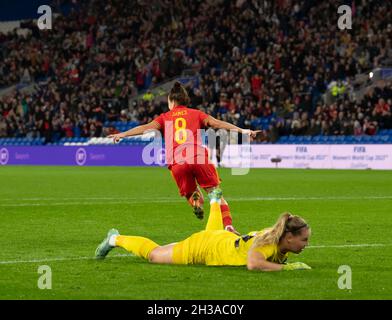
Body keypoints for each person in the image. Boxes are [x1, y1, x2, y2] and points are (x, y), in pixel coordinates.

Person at [108, 82, 260, 234]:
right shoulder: (197, 114)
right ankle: (228, 226)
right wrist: (242, 130)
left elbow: (144, 128)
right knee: (215, 193)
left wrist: (123, 134)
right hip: (198, 158)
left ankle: (197, 204)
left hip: (177, 163)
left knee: (191, 193)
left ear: (172, 101)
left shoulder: (164, 117)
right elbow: (217, 124)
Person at [95, 189, 312, 272]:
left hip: (221, 240)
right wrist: (288, 268)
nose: (306, 245)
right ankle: (114, 238)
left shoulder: (275, 233)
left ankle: (215, 201)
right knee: (154, 255)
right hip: (204, 248)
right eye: (304, 240)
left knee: (212, 234)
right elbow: (253, 263)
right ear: (289, 237)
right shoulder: (268, 244)